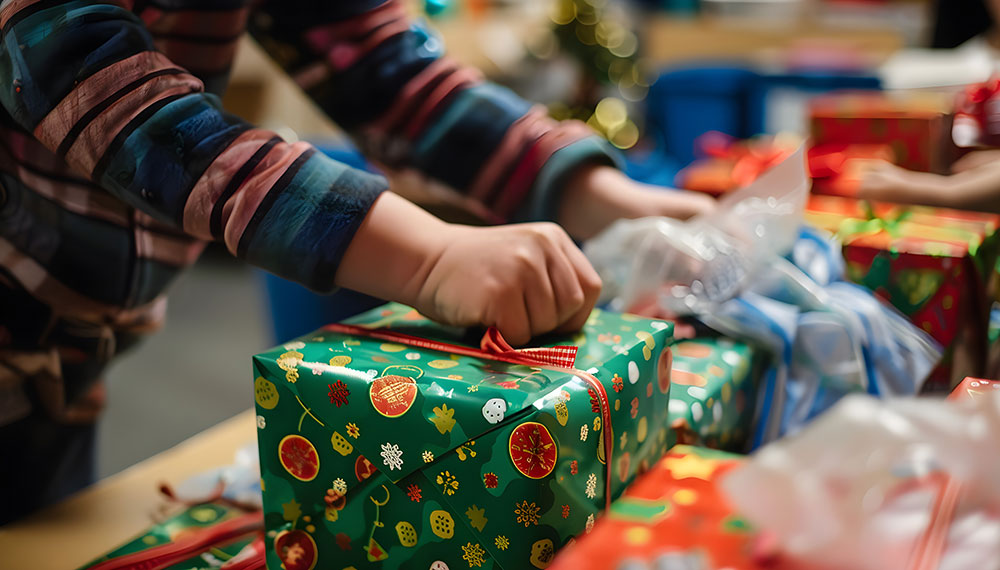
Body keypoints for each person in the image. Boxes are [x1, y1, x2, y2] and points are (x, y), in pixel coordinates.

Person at [0, 0, 713, 523]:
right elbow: (105, 93)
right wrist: (429, 258)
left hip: (65, 355)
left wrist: (603, 195)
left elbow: (389, 74)